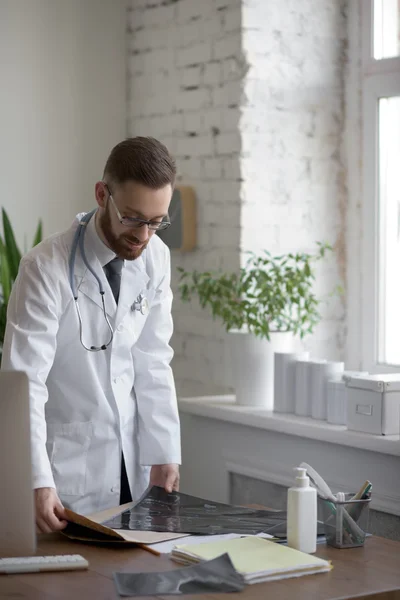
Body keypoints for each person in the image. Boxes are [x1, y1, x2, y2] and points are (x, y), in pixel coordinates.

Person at [2, 137, 181, 534]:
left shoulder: (156, 258)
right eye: (134, 218)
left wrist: (164, 452)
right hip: (65, 477)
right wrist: (37, 479)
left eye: (156, 221)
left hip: (131, 469)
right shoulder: (44, 268)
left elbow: (153, 359)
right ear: (103, 195)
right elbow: (24, 382)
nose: (144, 236)